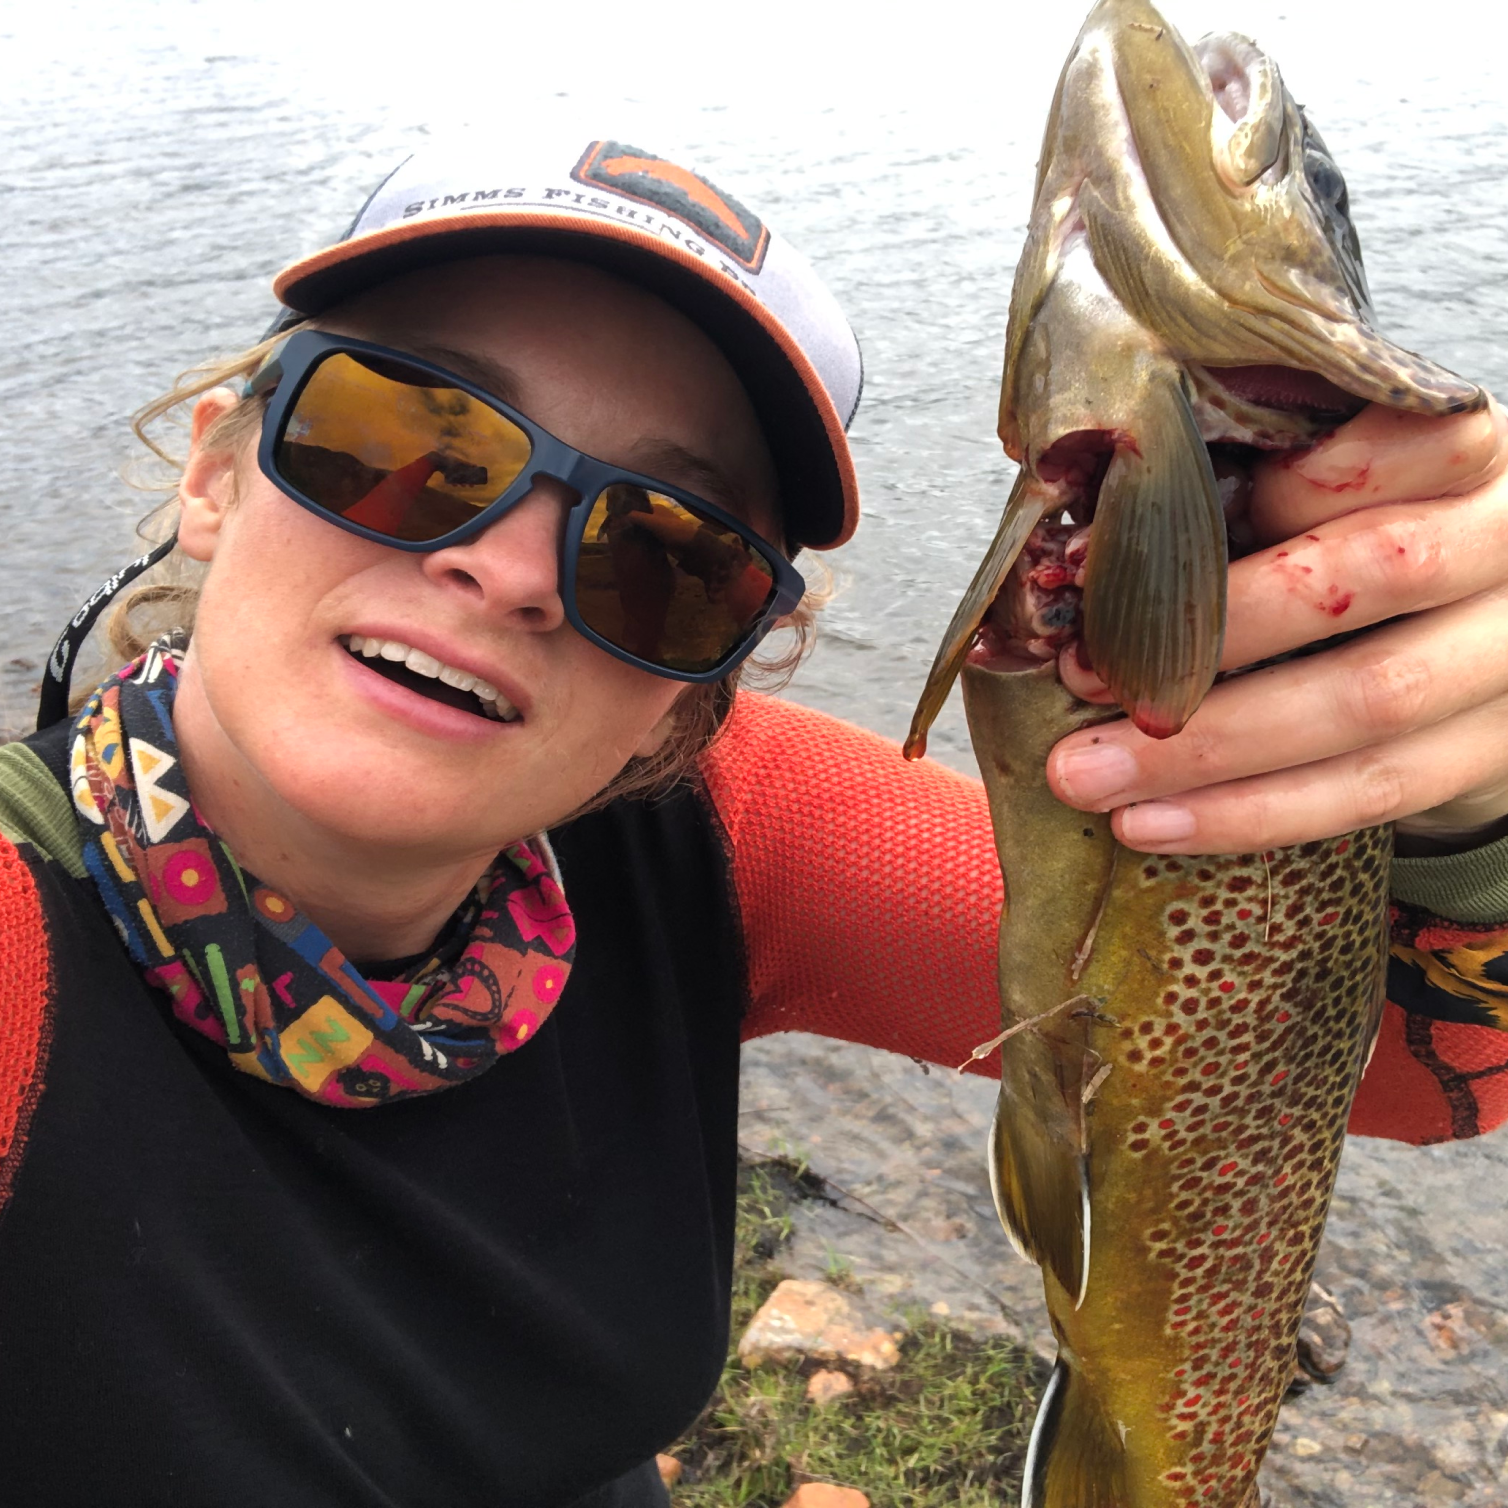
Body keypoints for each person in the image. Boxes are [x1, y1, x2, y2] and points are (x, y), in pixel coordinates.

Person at [0, 130, 1505, 1506]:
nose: (512, 569)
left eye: (661, 547)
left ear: (714, 667)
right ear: (215, 469)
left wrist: (1461, 805)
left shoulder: (696, 838)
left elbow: (1418, 1078)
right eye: (412, 441)